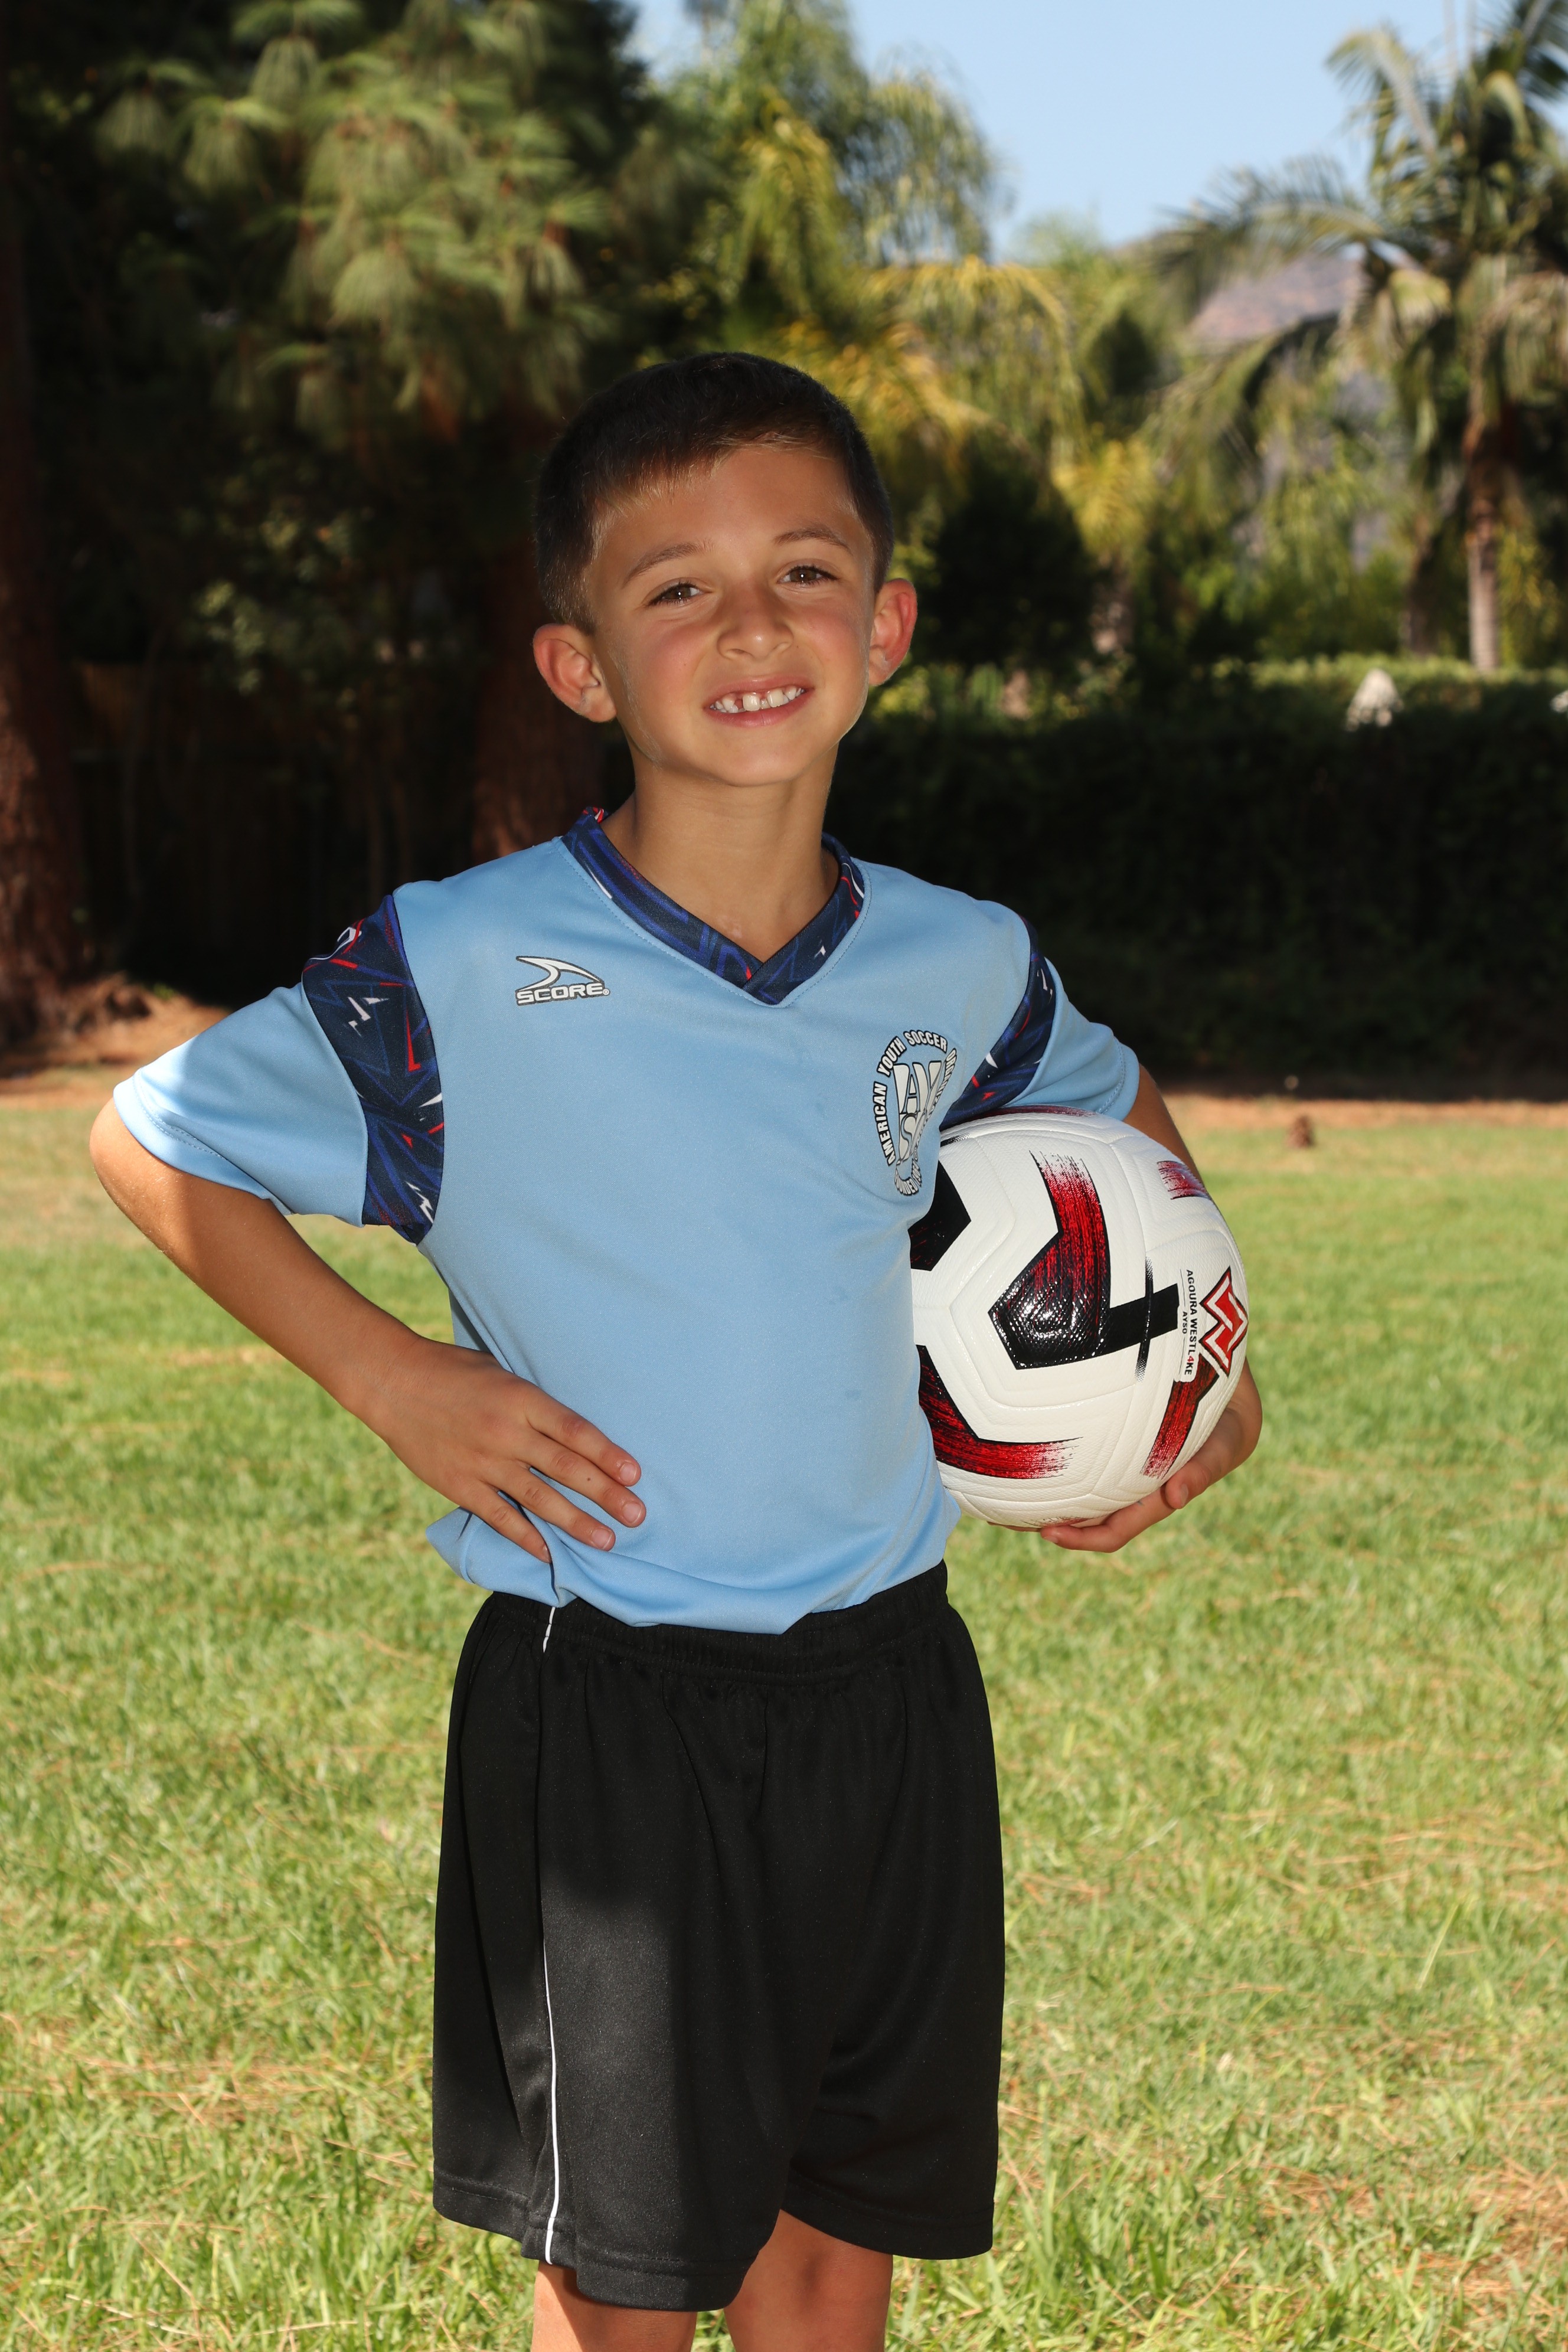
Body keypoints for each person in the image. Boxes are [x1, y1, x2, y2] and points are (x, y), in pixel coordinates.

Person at [90, 353, 1262, 2351]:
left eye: (805, 571)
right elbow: (153, 1141)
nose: (751, 625)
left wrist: (1199, 1373)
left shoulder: (959, 959)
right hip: (611, 1704)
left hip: (894, 1694)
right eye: (677, 589)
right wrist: (399, 1379)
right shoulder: (463, 962)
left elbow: (1114, 1108)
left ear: (886, 627)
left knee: (829, 2253)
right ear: (579, 665)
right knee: (631, 2287)